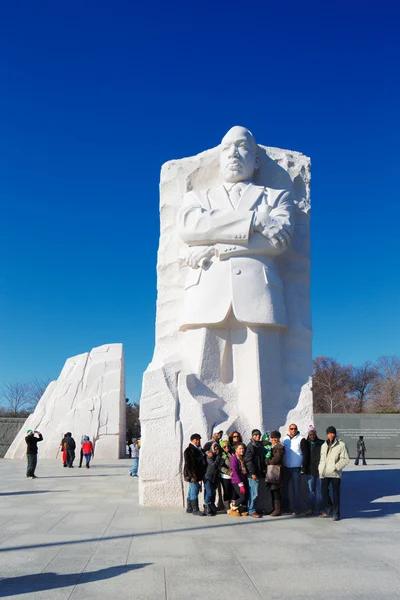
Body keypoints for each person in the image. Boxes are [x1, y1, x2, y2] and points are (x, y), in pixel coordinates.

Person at [177, 126, 295, 437]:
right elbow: (191, 228)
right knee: (199, 380)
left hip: (259, 294)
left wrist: (216, 247)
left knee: (260, 386)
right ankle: (201, 458)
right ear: (218, 158)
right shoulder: (197, 197)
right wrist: (256, 221)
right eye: (227, 147)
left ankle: (260, 455)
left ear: (256, 160)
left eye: (242, 147)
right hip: (206, 294)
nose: (233, 153)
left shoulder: (277, 196)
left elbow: (278, 242)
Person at [319, 426, 350, 521]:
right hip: (325, 473)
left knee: (336, 494)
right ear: (327, 434)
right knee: (324, 492)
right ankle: (329, 509)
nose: (331, 435)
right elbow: (322, 459)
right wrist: (320, 469)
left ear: (335, 434)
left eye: (332, 433)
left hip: (335, 474)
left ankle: (336, 513)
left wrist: (336, 467)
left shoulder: (341, 445)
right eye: (329, 433)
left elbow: (345, 459)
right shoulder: (324, 445)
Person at [283, 423, 307, 515]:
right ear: (289, 430)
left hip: (296, 468)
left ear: (297, 429)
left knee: (296, 489)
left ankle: (296, 508)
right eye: (291, 429)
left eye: (295, 428)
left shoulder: (301, 439)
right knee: (285, 489)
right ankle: (286, 507)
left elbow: (305, 454)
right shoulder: (285, 439)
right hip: (286, 467)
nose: (293, 430)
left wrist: (303, 467)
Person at [303, 425, 324, 515]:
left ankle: (320, 509)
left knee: (319, 491)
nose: (311, 435)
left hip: (320, 470)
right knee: (311, 491)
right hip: (309, 470)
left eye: (313, 433)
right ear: (308, 434)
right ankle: (310, 508)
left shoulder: (321, 443)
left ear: (315, 434)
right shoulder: (306, 444)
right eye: (310, 434)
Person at [183, 433, 206, 516]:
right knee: (194, 491)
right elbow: (189, 464)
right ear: (192, 440)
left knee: (191, 490)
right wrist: (193, 476)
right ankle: (195, 509)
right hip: (192, 475)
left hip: (196, 474)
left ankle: (189, 507)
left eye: (198, 439)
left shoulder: (198, 449)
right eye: (196, 439)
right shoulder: (189, 450)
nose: (197, 441)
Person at [244, 429, 265, 518]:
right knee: (254, 492)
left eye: (259, 435)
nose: (257, 436)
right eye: (255, 435)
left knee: (255, 492)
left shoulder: (258, 445)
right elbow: (249, 461)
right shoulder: (251, 446)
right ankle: (251, 510)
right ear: (252, 436)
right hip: (253, 474)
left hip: (258, 472)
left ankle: (253, 508)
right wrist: (252, 473)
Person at [266, 430, 285, 517]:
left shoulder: (279, 447)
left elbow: (276, 460)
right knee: (273, 490)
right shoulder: (273, 447)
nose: (273, 440)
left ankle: (277, 509)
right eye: (272, 438)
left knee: (276, 490)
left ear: (278, 438)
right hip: (273, 470)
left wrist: (267, 460)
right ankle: (274, 508)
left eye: (275, 438)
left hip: (277, 471)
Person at [230, 443, 248, 516]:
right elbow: (235, 471)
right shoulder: (234, 458)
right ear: (236, 450)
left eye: (243, 448)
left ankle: (241, 510)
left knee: (246, 496)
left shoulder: (242, 458)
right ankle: (232, 507)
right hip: (237, 481)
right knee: (242, 497)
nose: (242, 450)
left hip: (244, 479)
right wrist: (240, 484)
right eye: (240, 449)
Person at [204, 442, 221, 516]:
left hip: (215, 477)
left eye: (218, 448)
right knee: (209, 492)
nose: (216, 450)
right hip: (208, 476)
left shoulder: (218, 455)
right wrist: (218, 456)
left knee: (213, 492)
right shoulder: (209, 456)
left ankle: (211, 506)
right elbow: (213, 465)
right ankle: (206, 506)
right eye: (215, 448)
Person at [219, 437, 235, 512]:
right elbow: (220, 467)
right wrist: (229, 472)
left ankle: (232, 505)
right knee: (226, 491)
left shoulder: (232, 453)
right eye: (224, 446)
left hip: (233, 475)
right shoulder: (221, 455)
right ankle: (226, 507)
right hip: (225, 476)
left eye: (227, 446)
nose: (226, 448)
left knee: (233, 490)